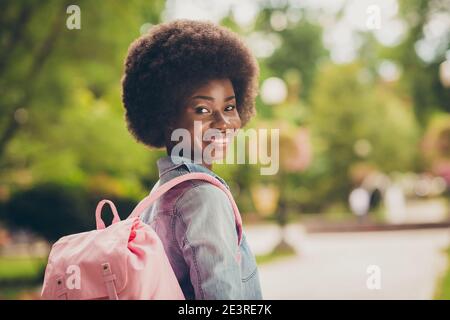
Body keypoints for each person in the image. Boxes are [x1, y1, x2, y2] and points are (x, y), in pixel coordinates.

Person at [121, 19, 262, 299]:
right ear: (166, 116)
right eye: (202, 109)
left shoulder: (160, 195)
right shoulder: (203, 196)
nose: (224, 122)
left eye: (230, 106)